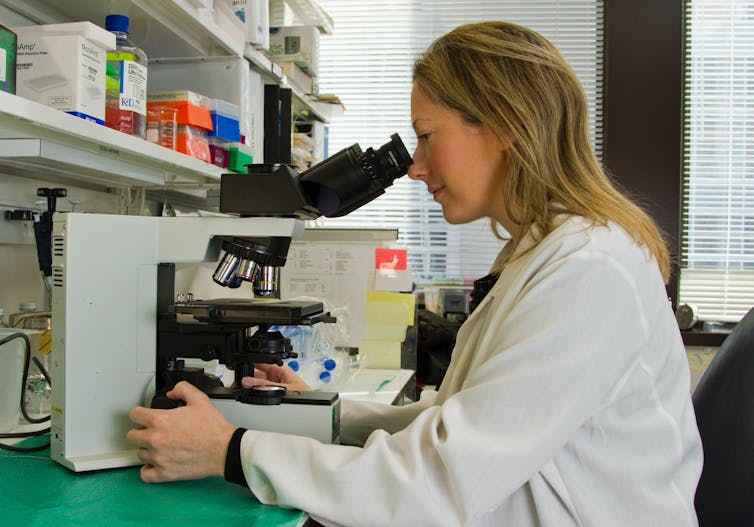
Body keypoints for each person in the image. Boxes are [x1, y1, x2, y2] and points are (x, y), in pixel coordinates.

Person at [127, 21, 703, 526]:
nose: (416, 168)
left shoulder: (589, 272)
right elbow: (460, 422)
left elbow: (439, 480)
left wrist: (230, 451)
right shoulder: (548, 252)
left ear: (506, 123)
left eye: (426, 137)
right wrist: (322, 411)